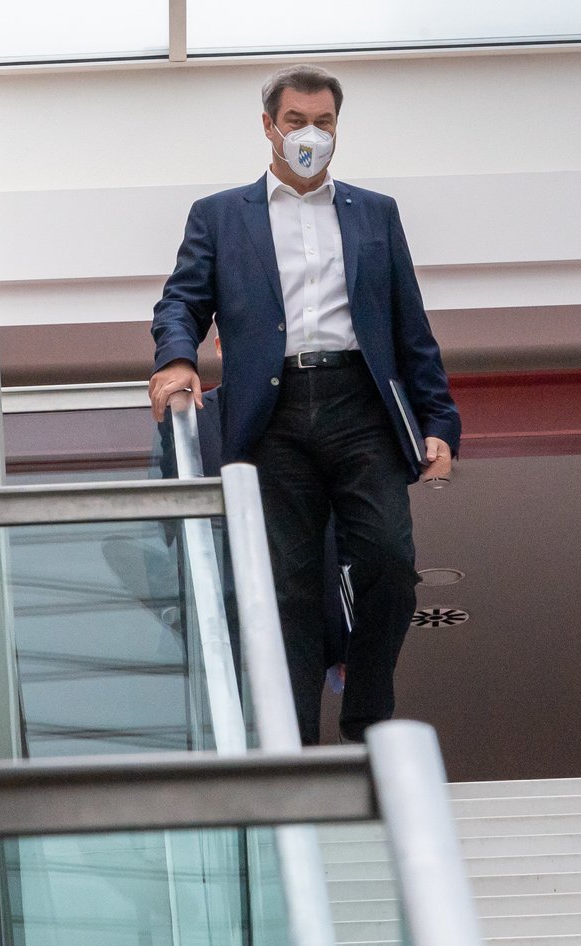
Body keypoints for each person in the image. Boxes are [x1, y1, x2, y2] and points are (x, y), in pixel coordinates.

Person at [149, 64, 458, 744]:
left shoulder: (375, 212)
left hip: (360, 407)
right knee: (286, 589)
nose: (311, 134)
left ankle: (368, 707)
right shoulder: (221, 215)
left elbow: (410, 325)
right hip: (273, 417)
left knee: (388, 561)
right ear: (269, 127)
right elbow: (181, 303)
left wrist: (440, 423)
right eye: (297, 122)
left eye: (324, 122)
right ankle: (297, 748)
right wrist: (176, 359)